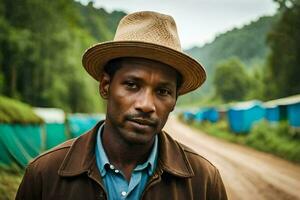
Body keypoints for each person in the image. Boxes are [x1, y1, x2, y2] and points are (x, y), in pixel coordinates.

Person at [16, 11, 227, 200]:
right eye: (132, 85)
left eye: (163, 91)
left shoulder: (204, 182)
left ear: (174, 102)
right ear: (106, 86)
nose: (146, 105)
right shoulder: (44, 174)